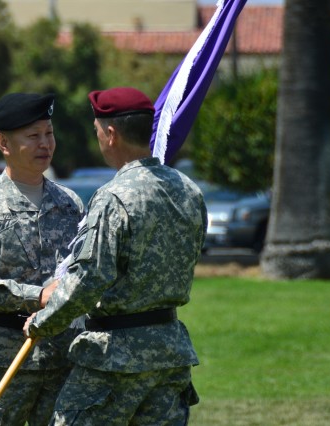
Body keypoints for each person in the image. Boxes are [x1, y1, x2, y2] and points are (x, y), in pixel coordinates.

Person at [24, 87, 207, 425]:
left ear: (110, 134)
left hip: (114, 358)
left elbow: (90, 277)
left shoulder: (114, 197)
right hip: (170, 352)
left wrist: (43, 321)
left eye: (97, 132)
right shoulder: (189, 190)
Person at [0, 93, 85, 426]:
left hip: (61, 364)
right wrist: (36, 296)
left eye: (49, 133)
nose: (45, 144)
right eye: (33, 136)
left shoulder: (71, 204)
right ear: (4, 143)